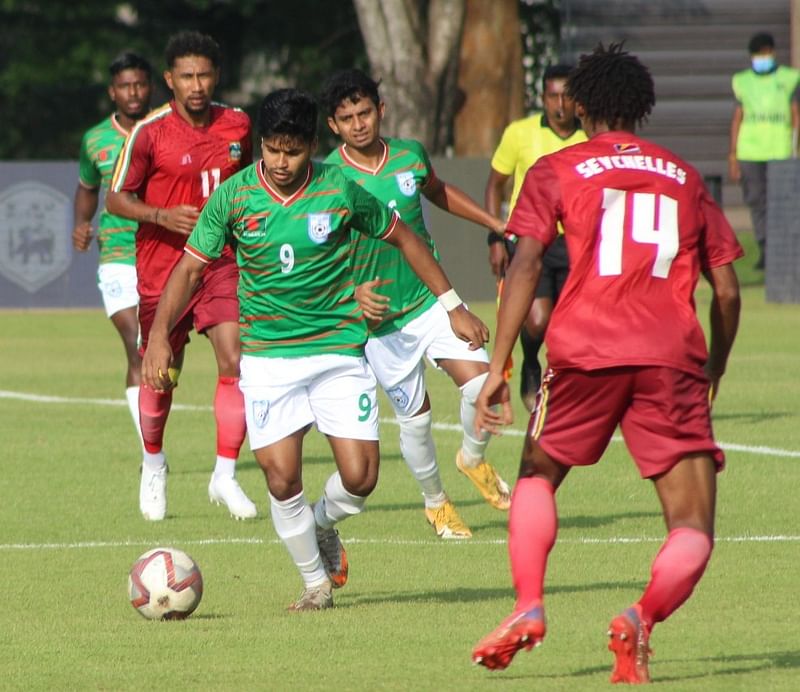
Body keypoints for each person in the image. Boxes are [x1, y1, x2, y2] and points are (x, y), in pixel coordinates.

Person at [140, 88, 489, 610]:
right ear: (261, 143)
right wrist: (159, 341)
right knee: (282, 480)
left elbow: (406, 238)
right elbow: (189, 269)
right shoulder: (234, 197)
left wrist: (453, 304)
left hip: (337, 352)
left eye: (294, 151)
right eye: (273, 150)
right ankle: (315, 585)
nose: (282, 162)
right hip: (267, 358)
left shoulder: (340, 189)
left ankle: (324, 524)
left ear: (311, 145)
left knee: (361, 477)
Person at [470, 43, 742, 684]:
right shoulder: (684, 174)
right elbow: (727, 290)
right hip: (670, 354)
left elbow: (526, 263)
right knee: (692, 527)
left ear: (581, 105)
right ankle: (640, 617)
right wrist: (715, 366)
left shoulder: (558, 168)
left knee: (537, 475)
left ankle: (529, 604)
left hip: (583, 351)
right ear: (641, 109)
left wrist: (499, 366)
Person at [320, 68, 511, 540]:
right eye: (347, 118)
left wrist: (494, 221)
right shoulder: (327, 176)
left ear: (380, 110)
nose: (358, 123)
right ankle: (436, 503)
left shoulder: (409, 155)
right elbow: (317, 253)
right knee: (417, 418)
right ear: (333, 125)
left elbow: (439, 191)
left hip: (433, 301)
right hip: (381, 321)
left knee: (485, 387)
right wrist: (350, 293)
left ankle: (472, 456)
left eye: (365, 112)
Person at [106, 31, 257, 521]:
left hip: (218, 264)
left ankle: (225, 475)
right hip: (161, 269)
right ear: (170, 79)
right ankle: (154, 464)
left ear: (217, 76)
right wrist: (159, 215)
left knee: (235, 357)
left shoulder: (237, 125)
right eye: (187, 76)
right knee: (161, 374)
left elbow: (252, 181)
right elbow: (115, 199)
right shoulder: (148, 132)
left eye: (205, 74)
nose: (197, 85)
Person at [485, 64, 586, 411]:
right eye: (553, 96)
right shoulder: (519, 133)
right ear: (542, 98)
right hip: (530, 237)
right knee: (538, 319)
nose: (560, 104)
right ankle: (531, 363)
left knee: (572, 322)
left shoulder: (589, 136)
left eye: (567, 95)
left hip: (574, 240)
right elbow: (495, 183)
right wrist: (495, 236)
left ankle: (568, 389)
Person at [72, 52, 153, 449]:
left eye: (139, 84)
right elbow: (88, 188)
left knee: (163, 353)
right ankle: (152, 452)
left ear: (151, 86)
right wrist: (81, 224)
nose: (133, 92)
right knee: (136, 344)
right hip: (118, 254)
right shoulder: (95, 139)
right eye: (125, 85)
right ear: (112, 91)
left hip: (163, 254)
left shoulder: (165, 128)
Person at [729, 32, 800, 270]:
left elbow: (795, 114)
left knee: (781, 203)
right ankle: (765, 249)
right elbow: (738, 117)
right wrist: (733, 154)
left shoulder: (790, 78)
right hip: (750, 151)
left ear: (773, 52)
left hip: (780, 151)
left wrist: (795, 146)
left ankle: (783, 250)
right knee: (757, 202)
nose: (762, 57)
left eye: (765, 52)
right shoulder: (742, 81)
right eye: (758, 54)